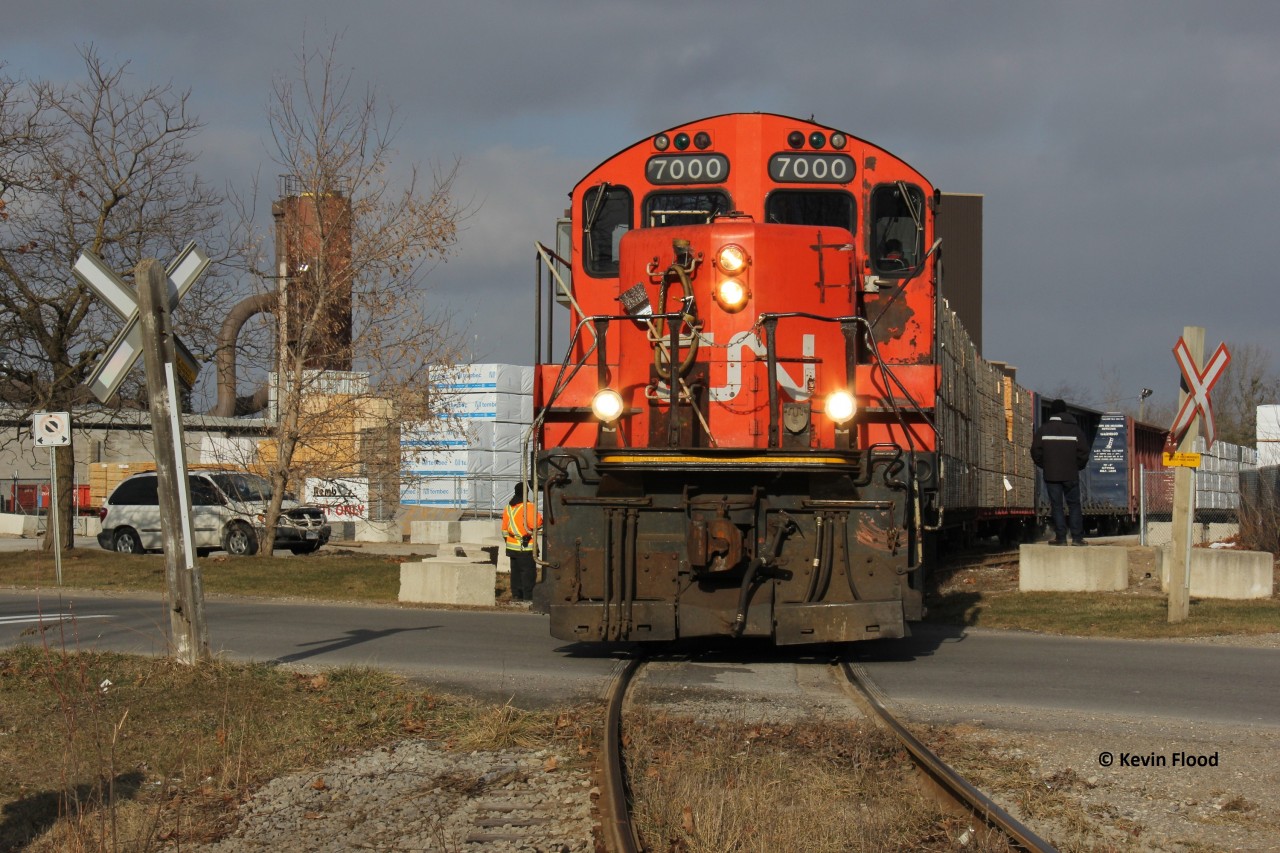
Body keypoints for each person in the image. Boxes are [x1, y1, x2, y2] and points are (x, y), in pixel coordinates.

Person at [1030, 399, 1091, 545]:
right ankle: (1077, 538)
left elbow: (1035, 452)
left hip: (1052, 475)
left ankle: (1061, 538)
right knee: (1074, 505)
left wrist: (1045, 465)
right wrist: (1077, 466)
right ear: (1065, 412)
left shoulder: (1044, 430)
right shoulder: (1075, 430)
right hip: (1071, 474)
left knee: (1056, 506)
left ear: (1052, 412)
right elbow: (1084, 452)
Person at [502, 483, 543, 601]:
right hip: (525, 547)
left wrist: (510, 540)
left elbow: (504, 529)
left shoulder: (508, 507)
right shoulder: (528, 506)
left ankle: (516, 596)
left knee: (515, 574)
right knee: (528, 574)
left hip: (512, 547)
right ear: (526, 493)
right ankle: (528, 598)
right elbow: (534, 524)